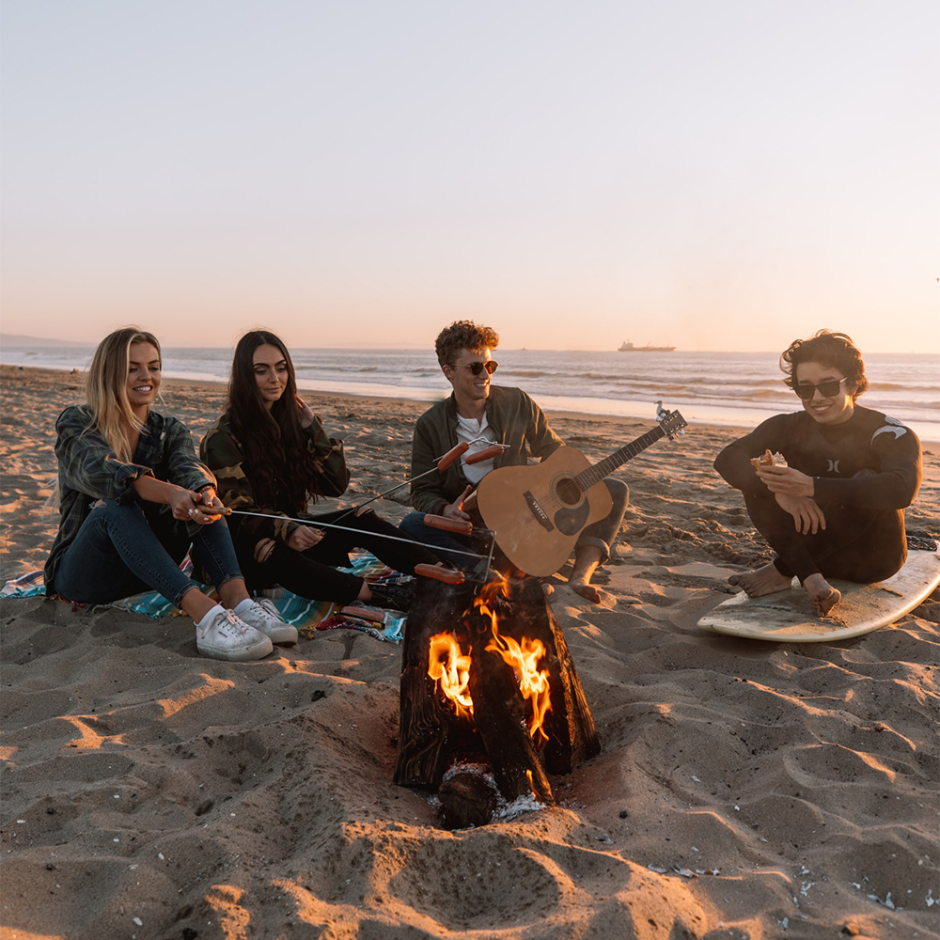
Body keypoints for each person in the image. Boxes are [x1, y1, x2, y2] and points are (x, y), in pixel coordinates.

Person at [45, 328, 297, 662]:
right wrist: (171, 494)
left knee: (200, 501)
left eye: (154, 366)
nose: (146, 376)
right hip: (85, 575)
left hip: (146, 571)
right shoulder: (77, 422)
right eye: (132, 367)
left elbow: (189, 465)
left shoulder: (168, 428)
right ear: (110, 372)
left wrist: (203, 492)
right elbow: (104, 472)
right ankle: (207, 617)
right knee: (113, 508)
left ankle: (240, 602)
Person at [200, 330, 440, 611]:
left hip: (295, 537)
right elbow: (238, 515)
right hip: (244, 552)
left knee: (361, 515)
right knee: (270, 549)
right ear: (244, 377)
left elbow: (334, 484)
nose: (275, 378)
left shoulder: (291, 425)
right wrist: (286, 528)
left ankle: (441, 574)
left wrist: (313, 428)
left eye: (281, 368)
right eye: (261, 371)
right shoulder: (223, 437)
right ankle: (377, 595)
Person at [400, 320, 629, 604]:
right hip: (473, 529)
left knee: (613, 489)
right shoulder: (430, 425)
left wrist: (555, 483)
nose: (485, 374)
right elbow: (421, 492)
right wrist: (445, 509)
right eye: (474, 367)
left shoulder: (517, 402)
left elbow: (553, 450)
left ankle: (580, 576)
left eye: (490, 366)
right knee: (411, 524)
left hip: (526, 522)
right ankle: (491, 574)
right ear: (448, 372)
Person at [714, 330, 922, 616]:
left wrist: (811, 487)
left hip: (872, 559)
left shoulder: (886, 432)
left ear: (853, 383)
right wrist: (784, 492)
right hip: (812, 558)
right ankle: (811, 579)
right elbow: (727, 459)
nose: (816, 397)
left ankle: (781, 571)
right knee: (760, 478)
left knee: (865, 477)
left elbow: (902, 489)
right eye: (805, 389)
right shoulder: (789, 426)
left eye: (828, 386)